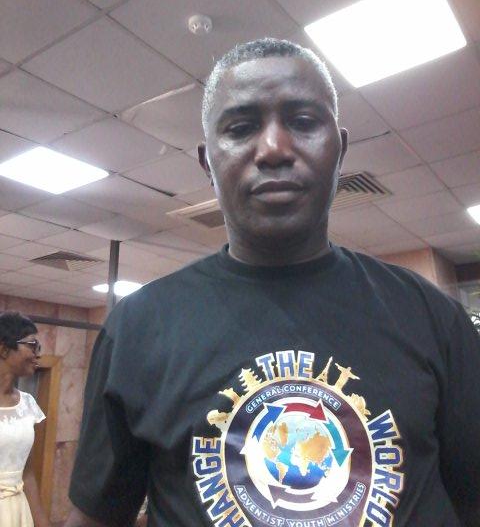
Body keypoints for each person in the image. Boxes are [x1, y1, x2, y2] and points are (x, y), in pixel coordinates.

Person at [66, 38, 480, 527]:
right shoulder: (138, 328)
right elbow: (98, 517)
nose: (275, 149)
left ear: (340, 151)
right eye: (241, 128)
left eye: (303, 122)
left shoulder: (432, 317)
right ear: (208, 163)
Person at [0, 311, 50, 527]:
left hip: (18, 510)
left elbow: (27, 471)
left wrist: (41, 521)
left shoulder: (28, 404)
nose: (37, 354)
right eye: (32, 345)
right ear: (4, 349)